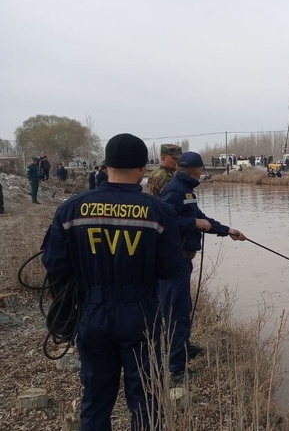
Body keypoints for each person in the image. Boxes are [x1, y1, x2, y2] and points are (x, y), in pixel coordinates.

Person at [40, 133, 184, 430]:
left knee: (95, 399)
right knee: (146, 399)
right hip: (141, 314)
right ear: (144, 168)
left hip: (92, 313)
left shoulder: (71, 209)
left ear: (105, 166)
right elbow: (172, 269)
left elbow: (54, 264)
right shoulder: (157, 212)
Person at [159, 151, 246, 381]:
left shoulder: (186, 190)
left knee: (184, 308)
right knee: (176, 313)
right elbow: (164, 222)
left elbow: (202, 218)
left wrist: (227, 231)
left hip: (183, 260)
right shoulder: (175, 190)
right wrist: (193, 222)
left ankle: (184, 347)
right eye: (200, 172)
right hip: (173, 260)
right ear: (197, 171)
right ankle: (177, 371)